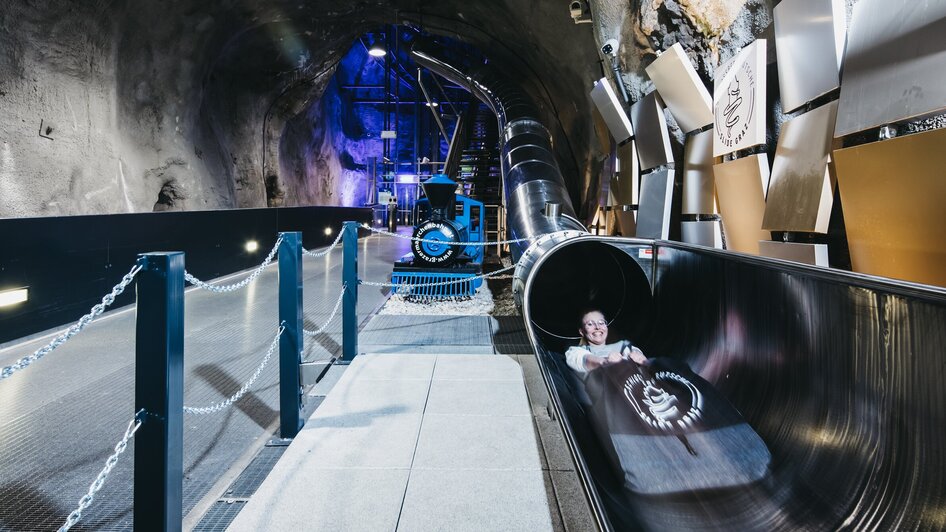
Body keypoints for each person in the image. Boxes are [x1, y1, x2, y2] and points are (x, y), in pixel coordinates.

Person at [565, 309, 647, 377]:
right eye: (590, 324)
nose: (597, 327)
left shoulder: (623, 345)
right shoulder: (575, 352)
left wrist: (638, 356)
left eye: (601, 322)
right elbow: (581, 359)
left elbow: (636, 353)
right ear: (582, 331)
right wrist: (605, 362)